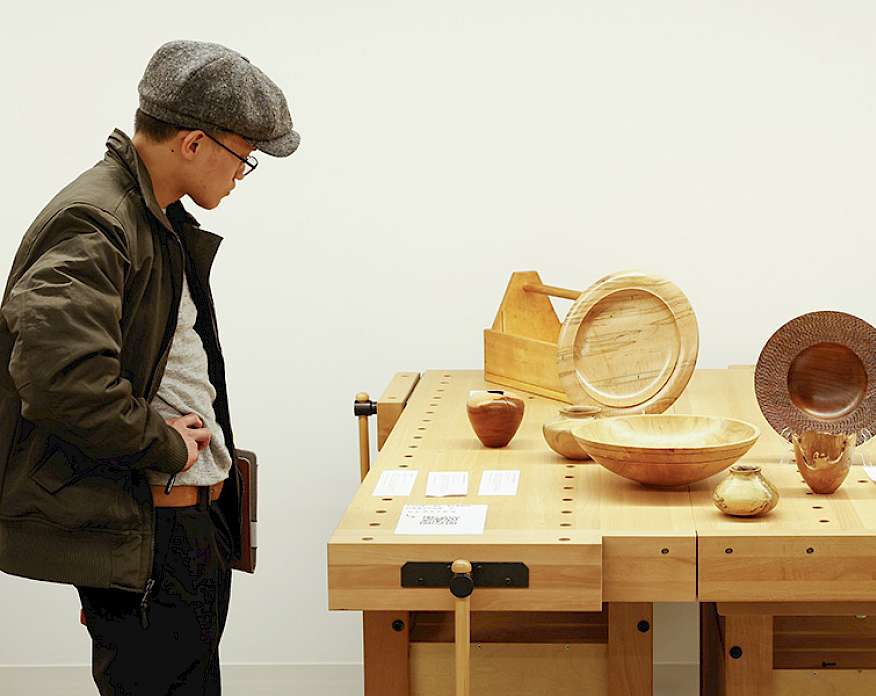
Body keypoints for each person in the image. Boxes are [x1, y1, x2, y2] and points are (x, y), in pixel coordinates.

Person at [0, 40, 299, 695]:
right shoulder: (96, 220)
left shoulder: (152, 219)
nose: (240, 176)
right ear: (193, 144)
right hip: (149, 538)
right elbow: (59, 382)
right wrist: (164, 443)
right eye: (243, 158)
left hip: (183, 531)